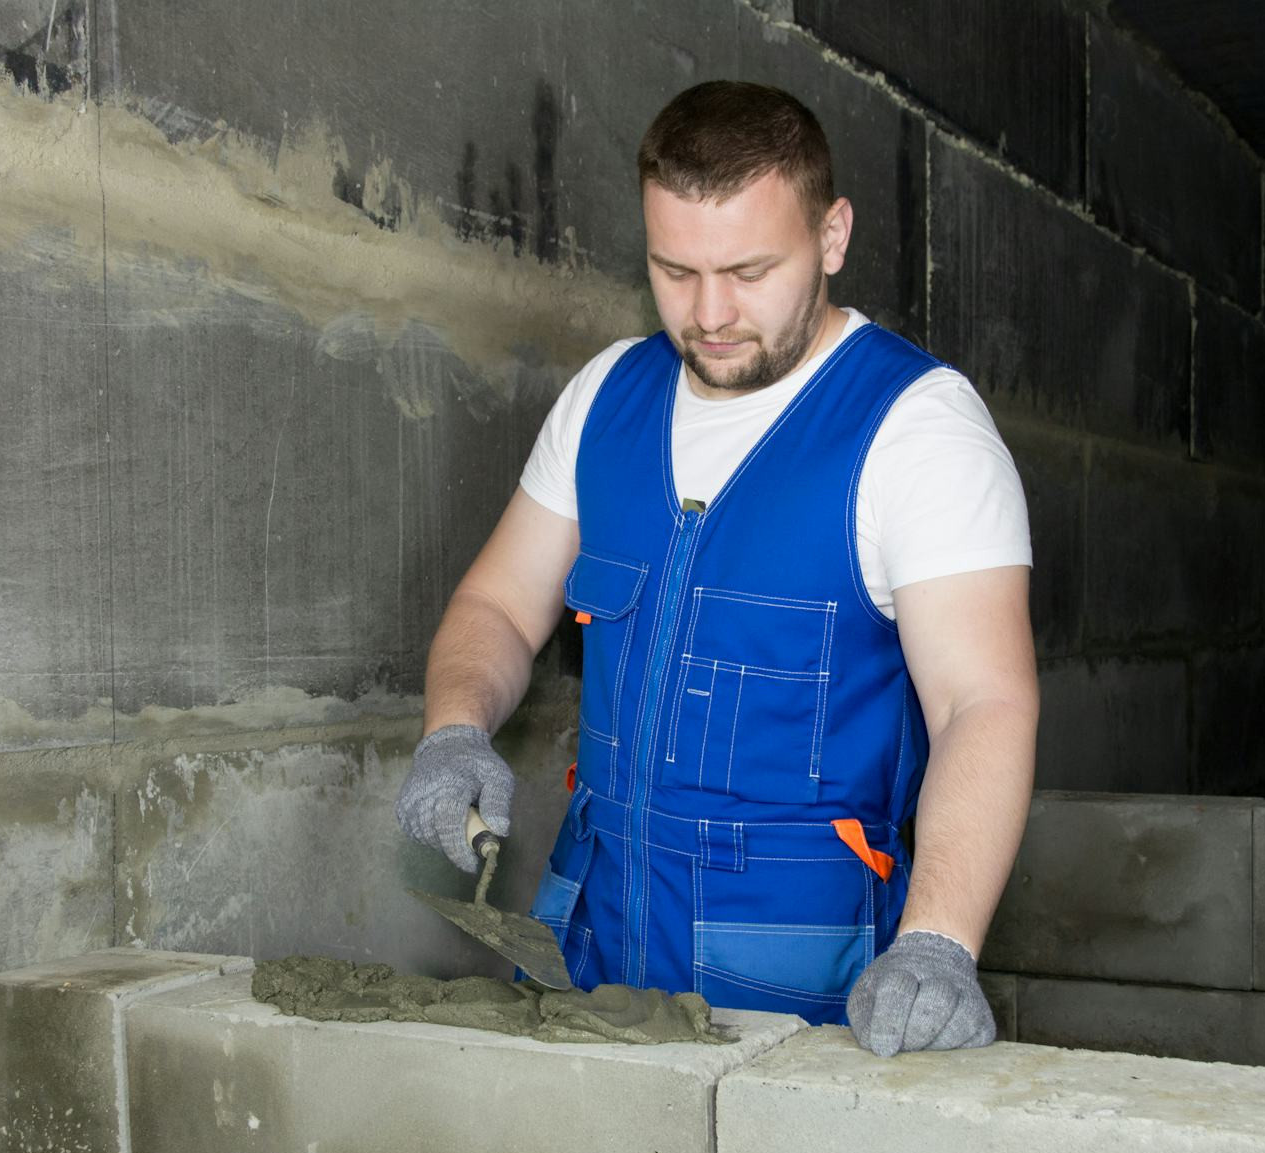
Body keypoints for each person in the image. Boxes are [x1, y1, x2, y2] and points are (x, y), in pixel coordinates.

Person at [395, 81, 1037, 1057]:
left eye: (748, 270)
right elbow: (500, 603)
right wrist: (453, 730)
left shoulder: (917, 430)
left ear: (832, 236)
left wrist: (939, 941)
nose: (709, 312)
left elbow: (982, 703)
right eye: (675, 270)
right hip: (590, 955)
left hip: (796, 988)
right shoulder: (607, 399)